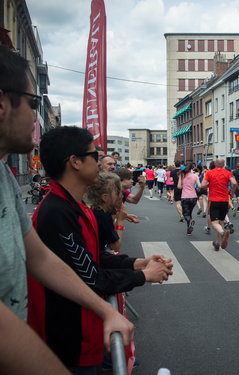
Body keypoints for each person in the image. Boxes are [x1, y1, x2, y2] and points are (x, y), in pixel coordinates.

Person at [0, 44, 133, 372]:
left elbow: (41, 257)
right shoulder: (56, 210)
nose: (35, 115)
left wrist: (106, 311)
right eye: (33, 103)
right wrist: (140, 274)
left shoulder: (3, 174)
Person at [28, 126, 173, 373]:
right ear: (74, 162)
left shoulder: (76, 207)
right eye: (94, 156)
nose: (102, 163)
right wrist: (144, 276)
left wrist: (138, 263)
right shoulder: (56, 213)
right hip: (69, 338)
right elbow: (90, 277)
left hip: (85, 332)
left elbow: (94, 257)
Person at [201, 158, 237, 250]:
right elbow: (234, 182)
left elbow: (202, 185)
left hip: (214, 200)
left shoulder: (209, 173)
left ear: (215, 164)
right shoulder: (228, 173)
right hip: (224, 200)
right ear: (223, 164)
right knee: (221, 221)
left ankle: (222, 233)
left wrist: (210, 185)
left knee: (214, 223)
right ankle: (218, 242)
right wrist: (232, 193)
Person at [178, 163, 201, 235]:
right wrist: (197, 189)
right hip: (193, 197)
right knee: (189, 213)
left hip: (185, 197)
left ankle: (190, 222)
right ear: (192, 169)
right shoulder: (195, 176)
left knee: (185, 214)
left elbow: (179, 187)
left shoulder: (182, 175)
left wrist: (181, 181)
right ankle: (189, 230)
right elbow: (199, 186)